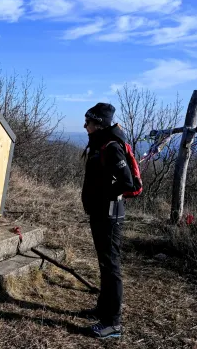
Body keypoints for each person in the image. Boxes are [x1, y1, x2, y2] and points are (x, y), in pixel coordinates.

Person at [80, 102, 133, 339]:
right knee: (104, 263)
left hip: (110, 214)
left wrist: (102, 196)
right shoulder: (98, 144)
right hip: (100, 212)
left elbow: (127, 182)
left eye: (88, 122)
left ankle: (113, 323)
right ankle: (103, 310)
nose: (85, 126)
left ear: (98, 124)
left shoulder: (111, 147)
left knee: (111, 266)